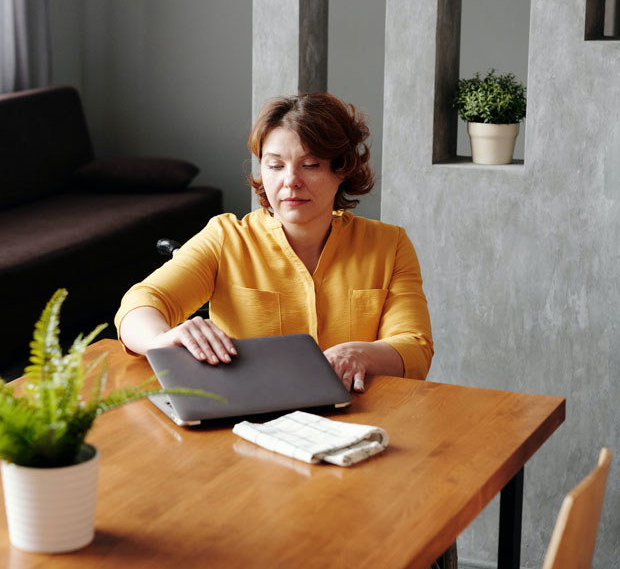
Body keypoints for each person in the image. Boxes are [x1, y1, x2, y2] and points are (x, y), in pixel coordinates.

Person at [115, 92, 433, 392]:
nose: (290, 181)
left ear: (342, 170)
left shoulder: (389, 244)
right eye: (276, 165)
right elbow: (139, 304)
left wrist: (359, 354)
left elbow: (414, 348)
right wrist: (164, 339)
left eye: (310, 165)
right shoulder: (226, 238)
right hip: (250, 417)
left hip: (360, 413)